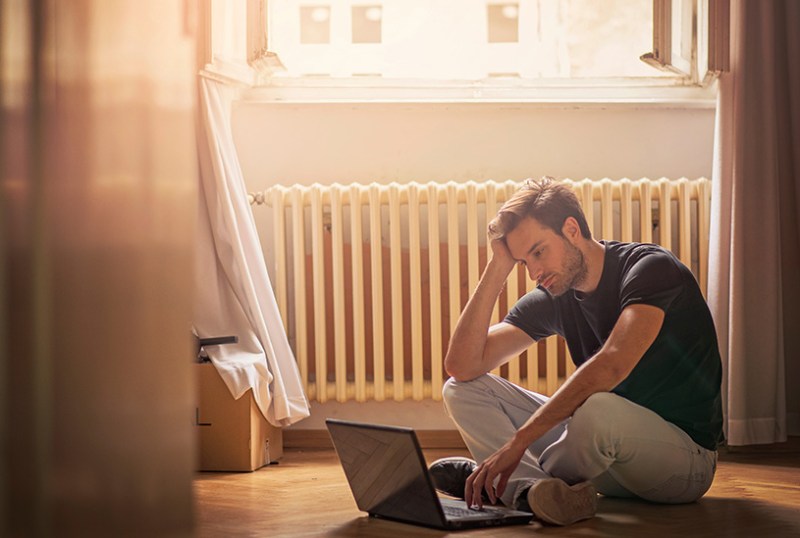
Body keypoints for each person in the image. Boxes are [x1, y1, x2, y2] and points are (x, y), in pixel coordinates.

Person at [430, 177, 724, 526]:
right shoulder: (555, 294)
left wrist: (516, 444)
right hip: (601, 459)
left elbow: (613, 364)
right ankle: (533, 493)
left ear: (571, 229)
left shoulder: (649, 268)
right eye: (524, 262)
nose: (535, 273)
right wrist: (499, 267)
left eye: (538, 252)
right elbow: (462, 366)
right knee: (462, 389)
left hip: (683, 462)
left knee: (598, 409)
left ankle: (502, 484)